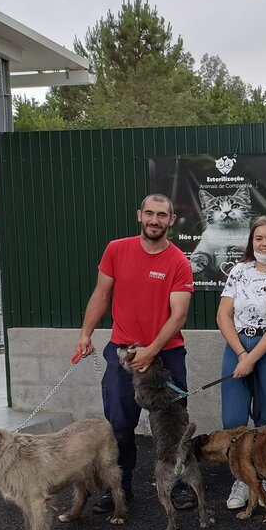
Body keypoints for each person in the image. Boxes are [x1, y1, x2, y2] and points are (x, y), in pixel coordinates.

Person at [76, 193, 195, 513]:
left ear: (172, 220)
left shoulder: (179, 262)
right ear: (139, 215)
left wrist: (151, 351)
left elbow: (179, 315)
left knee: (174, 423)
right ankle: (120, 486)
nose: (155, 220)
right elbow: (101, 294)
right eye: (150, 214)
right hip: (122, 353)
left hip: (166, 355)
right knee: (118, 424)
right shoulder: (116, 249)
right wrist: (86, 333)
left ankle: (179, 481)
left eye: (162, 215)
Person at [216, 216, 266, 510]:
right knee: (234, 421)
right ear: (252, 242)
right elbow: (223, 315)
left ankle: (262, 479)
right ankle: (241, 479)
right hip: (238, 346)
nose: (265, 243)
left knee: (265, 421)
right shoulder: (239, 271)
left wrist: (252, 358)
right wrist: (241, 354)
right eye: (259, 238)